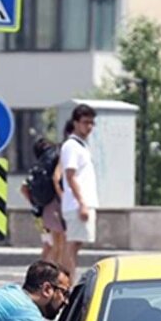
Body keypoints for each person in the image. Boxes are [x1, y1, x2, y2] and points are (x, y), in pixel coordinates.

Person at [60, 104, 98, 281]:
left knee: (76, 244)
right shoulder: (71, 146)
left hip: (83, 202)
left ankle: (68, 281)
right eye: (85, 122)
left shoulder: (82, 145)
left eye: (91, 123)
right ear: (75, 123)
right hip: (77, 204)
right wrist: (82, 203)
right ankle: (67, 283)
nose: (88, 126)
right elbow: (70, 175)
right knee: (72, 244)